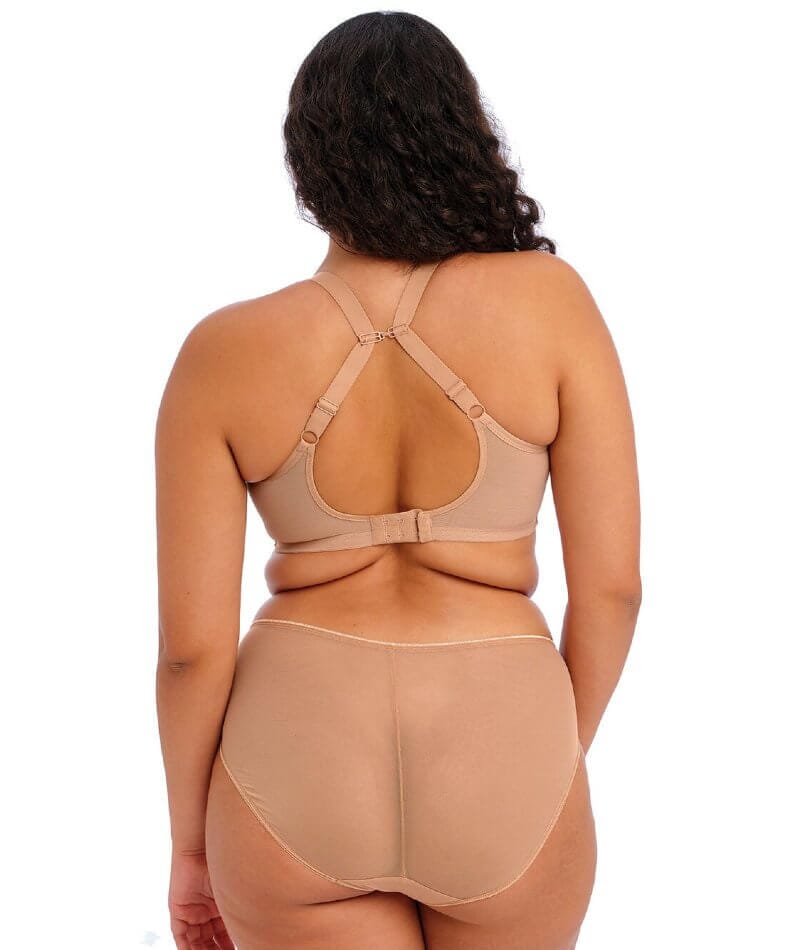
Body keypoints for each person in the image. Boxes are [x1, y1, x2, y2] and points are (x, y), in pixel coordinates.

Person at [155, 11, 641, 950]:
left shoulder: (224, 352)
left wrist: (189, 845)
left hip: (294, 767)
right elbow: (614, 587)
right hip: (501, 745)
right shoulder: (550, 305)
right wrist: (545, 757)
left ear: (306, 162)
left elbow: (190, 654)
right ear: (464, 134)